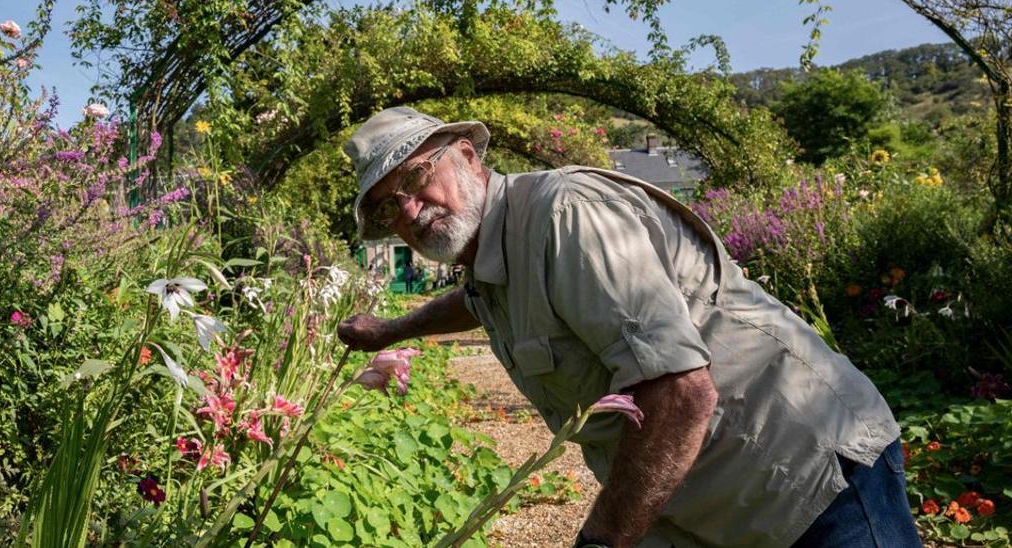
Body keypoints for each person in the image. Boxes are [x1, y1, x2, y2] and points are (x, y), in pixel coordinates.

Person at [336, 106, 919, 548]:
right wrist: (390, 329)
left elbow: (678, 392)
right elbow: (471, 301)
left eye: (414, 178)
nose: (410, 210)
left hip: (802, 474)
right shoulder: (492, 264)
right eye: (389, 207)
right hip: (708, 503)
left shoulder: (566, 217)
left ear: (467, 155)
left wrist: (602, 541)